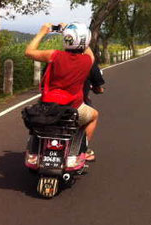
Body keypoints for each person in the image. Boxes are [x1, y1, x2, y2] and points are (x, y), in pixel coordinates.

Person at [25, 22, 99, 161]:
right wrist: (73, 33)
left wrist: (42, 32)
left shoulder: (54, 55)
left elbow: (29, 51)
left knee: (37, 122)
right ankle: (83, 150)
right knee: (94, 115)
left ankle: (37, 147)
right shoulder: (87, 60)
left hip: (48, 106)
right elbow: (89, 52)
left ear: (67, 39)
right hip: (73, 108)